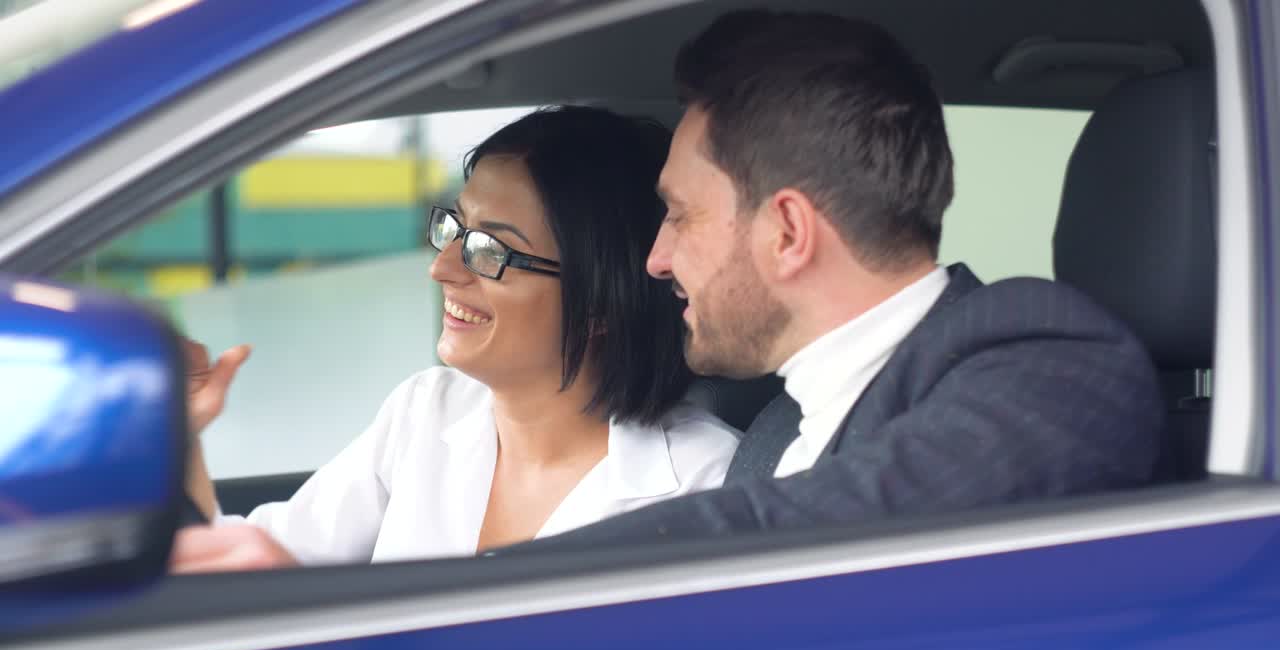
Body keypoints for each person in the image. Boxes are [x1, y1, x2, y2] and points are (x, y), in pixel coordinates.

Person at [172, 9, 1163, 570]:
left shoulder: (1046, 358)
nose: (654, 260)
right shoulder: (780, 430)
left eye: (680, 217)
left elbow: (830, 534)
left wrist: (452, 602)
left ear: (785, 231)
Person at [171, 105, 740, 571]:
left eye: (490, 250)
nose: (442, 268)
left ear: (600, 302)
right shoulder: (427, 411)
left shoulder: (705, 484)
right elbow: (253, 566)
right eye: (455, 227)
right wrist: (183, 431)